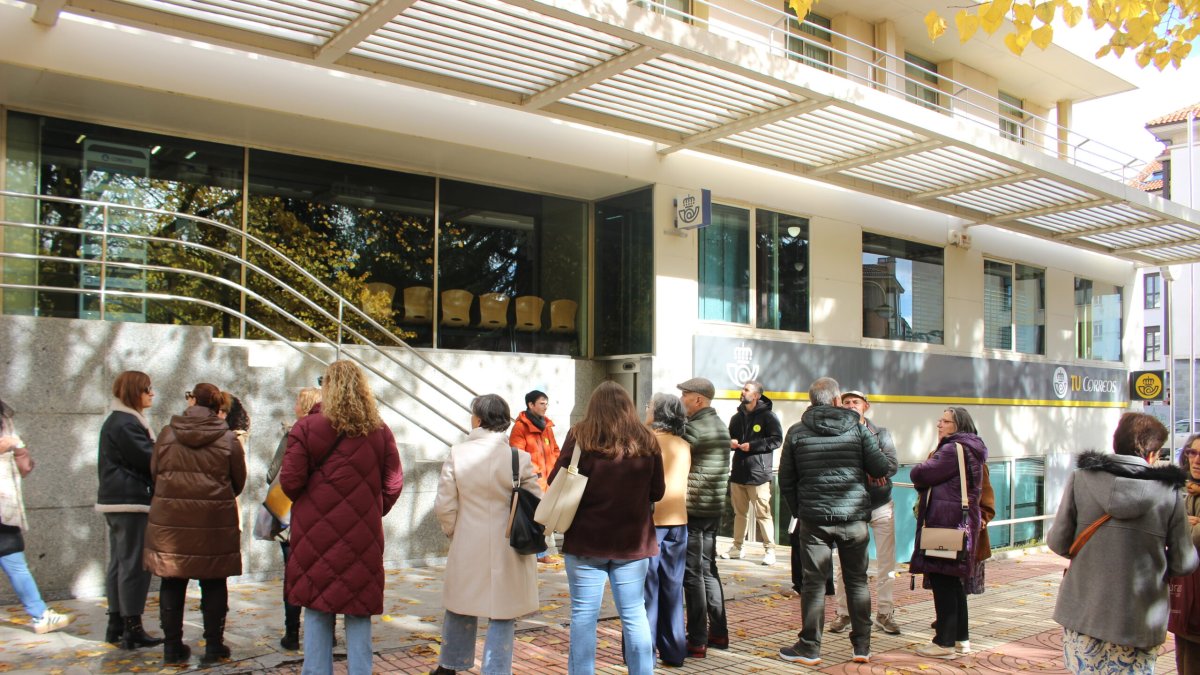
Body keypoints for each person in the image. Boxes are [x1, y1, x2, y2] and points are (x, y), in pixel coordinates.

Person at [1049, 412, 1198, 674]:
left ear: (1116, 443)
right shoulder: (1169, 492)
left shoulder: (1081, 479)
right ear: (1152, 454)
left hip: (1084, 612)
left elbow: (1058, 542)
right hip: (1139, 618)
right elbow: (1184, 562)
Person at [281, 360, 404, 675]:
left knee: (318, 607)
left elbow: (290, 483)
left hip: (314, 534)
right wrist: (372, 511)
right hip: (362, 537)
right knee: (358, 609)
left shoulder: (306, 428)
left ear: (328, 389)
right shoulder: (379, 430)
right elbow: (393, 483)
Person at [550, 381, 664, 675]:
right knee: (634, 614)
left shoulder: (580, 435)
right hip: (633, 544)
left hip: (586, 541)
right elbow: (657, 491)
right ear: (628, 406)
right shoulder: (647, 439)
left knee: (584, 617)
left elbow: (556, 480)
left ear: (593, 406)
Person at [776, 377, 888, 666]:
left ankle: (809, 648)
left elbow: (786, 479)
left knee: (813, 583)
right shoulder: (858, 430)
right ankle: (861, 647)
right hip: (853, 519)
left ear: (812, 401)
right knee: (856, 581)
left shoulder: (797, 432)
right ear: (837, 401)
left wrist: (801, 510)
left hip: (814, 521)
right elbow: (880, 467)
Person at [433, 394, 541, 675]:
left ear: (478, 419)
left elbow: (445, 504)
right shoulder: (519, 457)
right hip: (510, 542)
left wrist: (453, 531)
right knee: (503, 611)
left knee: (460, 604)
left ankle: (449, 665)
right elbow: (534, 502)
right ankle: (496, 670)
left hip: (468, 539)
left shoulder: (458, 453)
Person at [144, 384, 247, 665]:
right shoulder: (228, 439)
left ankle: (172, 647)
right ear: (217, 405)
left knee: (172, 580)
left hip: (171, 519)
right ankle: (214, 646)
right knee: (213, 581)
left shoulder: (167, 433)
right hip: (213, 519)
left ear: (192, 402)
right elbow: (238, 481)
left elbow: (155, 472)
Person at [908, 406, 989, 659]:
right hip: (959, 523)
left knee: (944, 581)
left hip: (947, 522)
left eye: (945, 421)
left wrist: (923, 469)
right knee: (953, 583)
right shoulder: (970, 448)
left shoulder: (953, 449)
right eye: (940, 420)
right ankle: (960, 639)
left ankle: (943, 643)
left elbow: (919, 473)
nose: (938, 425)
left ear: (958, 425)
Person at [96, 370, 163, 650]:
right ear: (135, 392)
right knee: (134, 564)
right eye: (147, 389)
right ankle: (131, 627)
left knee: (119, 563)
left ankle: (117, 623)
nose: (152, 394)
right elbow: (150, 460)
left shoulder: (120, 421)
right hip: (131, 500)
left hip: (119, 499)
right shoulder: (126, 423)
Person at [827, 390, 900, 636]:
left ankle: (885, 613)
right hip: (851, 507)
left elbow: (891, 465)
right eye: (845, 402)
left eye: (855, 402)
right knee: (843, 565)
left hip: (881, 505)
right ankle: (843, 613)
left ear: (865, 406)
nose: (850, 405)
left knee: (886, 563)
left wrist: (871, 471)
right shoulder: (837, 433)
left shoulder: (882, 433)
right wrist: (870, 471)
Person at [0, 398, 70, 634]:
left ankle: (40, 614)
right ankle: (39, 614)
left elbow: (24, 463)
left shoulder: (4, 415)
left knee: (14, 559)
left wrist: (17, 448)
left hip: (5, 505)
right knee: (14, 561)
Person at [677, 376, 731, 658]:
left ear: (698, 399)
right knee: (709, 571)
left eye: (684, 394)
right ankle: (719, 633)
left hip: (695, 511)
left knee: (693, 575)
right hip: (712, 509)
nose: (681, 399)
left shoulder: (694, 430)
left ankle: (696, 640)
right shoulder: (719, 425)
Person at [265, 386, 322, 651]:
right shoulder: (330, 433)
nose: (294, 404)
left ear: (306, 404)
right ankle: (326, 633)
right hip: (320, 518)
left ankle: (292, 633)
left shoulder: (294, 435)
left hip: (291, 517)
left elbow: (273, 473)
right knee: (322, 573)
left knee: (293, 575)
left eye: (298, 400)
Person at [643, 392, 691, 667]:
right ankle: (674, 651)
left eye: (650, 406)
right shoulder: (683, 444)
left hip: (651, 524)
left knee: (647, 590)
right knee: (673, 590)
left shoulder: (646, 443)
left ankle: (643, 652)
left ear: (658, 413)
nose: (646, 409)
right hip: (678, 522)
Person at [722, 380, 781, 566]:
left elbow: (776, 440)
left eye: (746, 390)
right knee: (739, 513)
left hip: (759, 474)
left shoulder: (769, 417)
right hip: (738, 472)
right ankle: (737, 547)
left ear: (755, 395)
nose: (742, 392)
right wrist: (730, 443)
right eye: (743, 389)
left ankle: (770, 550)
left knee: (763, 514)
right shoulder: (736, 417)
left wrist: (753, 446)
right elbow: (728, 438)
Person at [509, 389, 560, 561]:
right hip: (533, 480)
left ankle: (542, 551)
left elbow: (555, 449)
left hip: (549, 479)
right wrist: (532, 473)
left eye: (546, 403)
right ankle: (540, 553)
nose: (545, 407)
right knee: (535, 516)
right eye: (541, 403)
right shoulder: (520, 427)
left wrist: (556, 469)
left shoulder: (546, 426)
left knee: (545, 516)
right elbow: (517, 454)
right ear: (531, 405)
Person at [1171, 433, 1200, 673]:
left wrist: (1180, 526)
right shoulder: (1187, 493)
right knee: (1186, 662)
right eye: (1192, 452)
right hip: (1189, 598)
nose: (1197, 460)